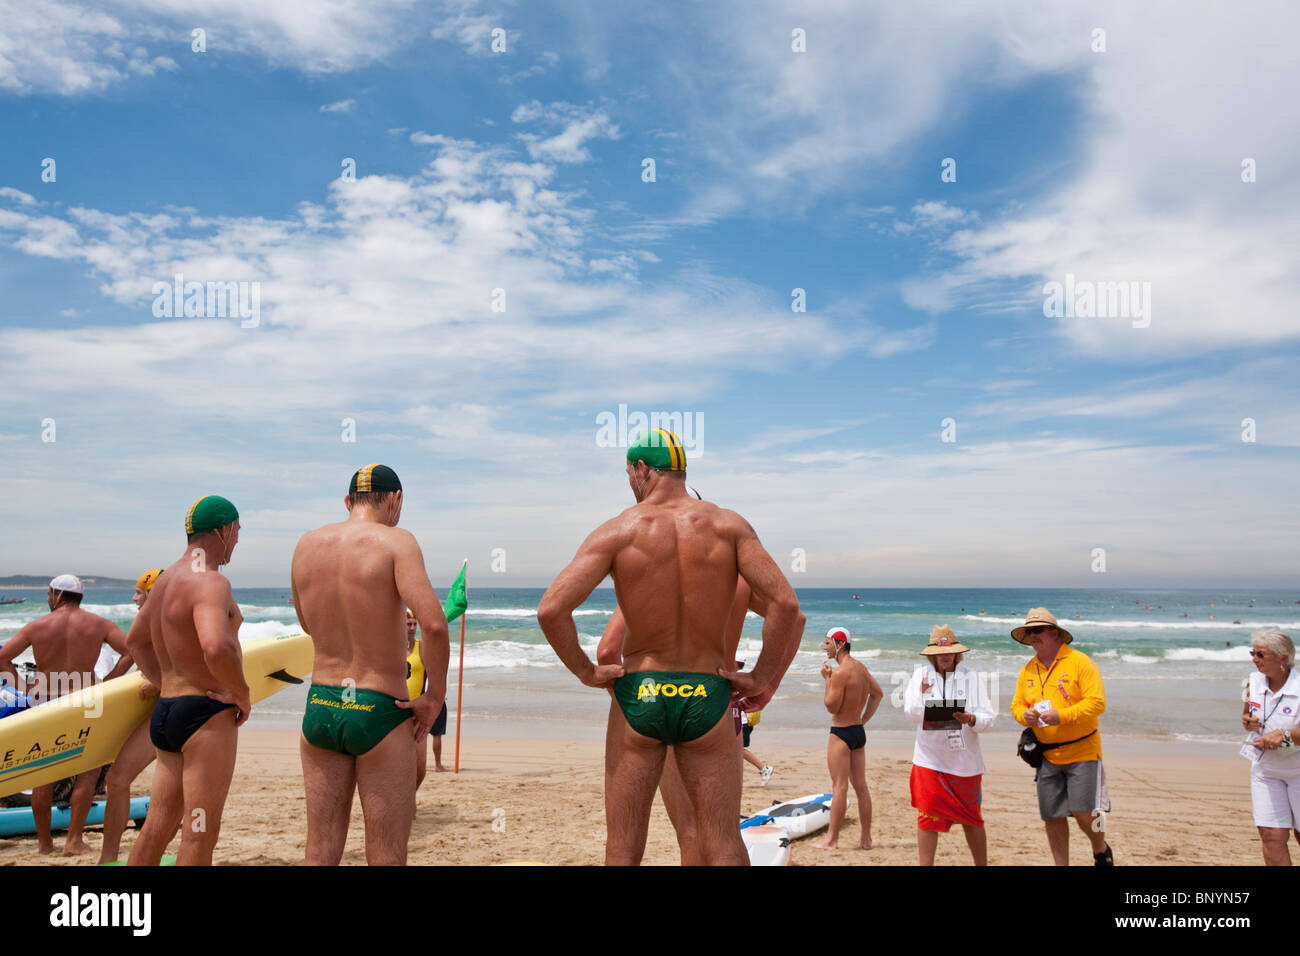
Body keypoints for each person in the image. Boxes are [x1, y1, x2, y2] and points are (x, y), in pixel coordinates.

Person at [538, 429, 803, 866]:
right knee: (721, 840)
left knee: (623, 846)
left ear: (643, 469)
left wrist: (586, 672)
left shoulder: (619, 529)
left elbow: (551, 610)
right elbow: (786, 605)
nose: (630, 484)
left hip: (642, 693)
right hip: (707, 692)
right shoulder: (729, 526)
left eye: (629, 474)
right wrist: (761, 676)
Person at [291, 465, 449, 865]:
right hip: (378, 708)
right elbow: (433, 624)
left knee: (319, 850)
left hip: (322, 706)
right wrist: (434, 696)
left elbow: (307, 623)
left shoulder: (307, 544)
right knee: (386, 854)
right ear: (395, 499)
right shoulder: (397, 542)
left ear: (348, 502)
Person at [126, 496, 250, 866]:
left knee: (158, 825)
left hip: (168, 712)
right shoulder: (210, 581)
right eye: (238, 532)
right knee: (200, 832)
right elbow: (214, 645)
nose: (238, 541)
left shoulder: (164, 582)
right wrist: (240, 693)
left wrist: (164, 681)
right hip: (205, 714)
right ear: (222, 531)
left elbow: (135, 642)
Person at [0, 575, 133, 855]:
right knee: (87, 773)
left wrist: (24, 688)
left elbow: (2, 659)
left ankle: (45, 844)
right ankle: (73, 841)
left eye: (49, 594)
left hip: (47, 702)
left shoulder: (38, 626)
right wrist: (110, 680)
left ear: (57, 595)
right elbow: (131, 651)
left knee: (43, 774)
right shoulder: (99, 624)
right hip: (87, 700)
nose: (49, 598)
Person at [1010, 607, 1113, 866]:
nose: (1033, 636)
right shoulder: (1028, 669)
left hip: (1083, 752)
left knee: (1083, 812)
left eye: (1038, 630)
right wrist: (1026, 717)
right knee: (1052, 815)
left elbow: (1098, 703)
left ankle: (1100, 849)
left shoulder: (1080, 662)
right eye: (1029, 632)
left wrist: (1062, 716)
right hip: (1047, 755)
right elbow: (1016, 706)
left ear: (1054, 633)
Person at [903, 625, 995, 865]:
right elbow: (910, 713)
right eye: (940, 652)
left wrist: (971, 719)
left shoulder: (971, 676)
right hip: (929, 759)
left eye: (950, 651)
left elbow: (988, 718)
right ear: (932, 654)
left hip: (965, 762)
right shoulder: (920, 676)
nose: (945, 656)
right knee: (926, 817)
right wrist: (928, 702)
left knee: (972, 818)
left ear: (957, 653)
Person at [98, 569, 165, 864]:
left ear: (152, 593)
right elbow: (131, 652)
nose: (133, 597)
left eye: (139, 591)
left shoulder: (172, 623)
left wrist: (158, 682)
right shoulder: (150, 626)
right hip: (161, 713)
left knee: (176, 796)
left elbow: (195, 673)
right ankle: (108, 858)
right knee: (117, 779)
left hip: (182, 713)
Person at [812, 626, 882, 850]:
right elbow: (877, 694)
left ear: (839, 644)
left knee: (839, 787)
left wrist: (827, 679)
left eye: (826, 643)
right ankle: (866, 839)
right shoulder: (861, 668)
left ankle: (832, 839)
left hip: (841, 732)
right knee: (861, 787)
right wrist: (863, 720)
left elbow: (831, 706)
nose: (824, 648)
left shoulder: (840, 673)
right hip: (858, 733)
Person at [1241, 629, 1300, 864]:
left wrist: (1285, 736)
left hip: (1298, 771)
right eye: (1252, 653)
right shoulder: (1252, 682)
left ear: (1283, 658)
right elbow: (1246, 716)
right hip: (1265, 770)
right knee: (1271, 835)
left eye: (1261, 654)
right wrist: (1248, 722)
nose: (1254, 659)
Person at [406, 609, 449, 787]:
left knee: (419, 767)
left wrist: (435, 697)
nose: (412, 627)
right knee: (397, 760)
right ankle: (406, 802)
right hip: (394, 709)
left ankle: (412, 795)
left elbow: (435, 675)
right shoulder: (389, 647)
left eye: (415, 624)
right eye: (409, 624)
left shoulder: (421, 647)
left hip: (417, 709)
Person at [739, 695, 773, 786]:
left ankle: (764, 769)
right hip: (741, 721)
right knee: (734, 750)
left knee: (739, 749)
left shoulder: (737, 686)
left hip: (742, 722)